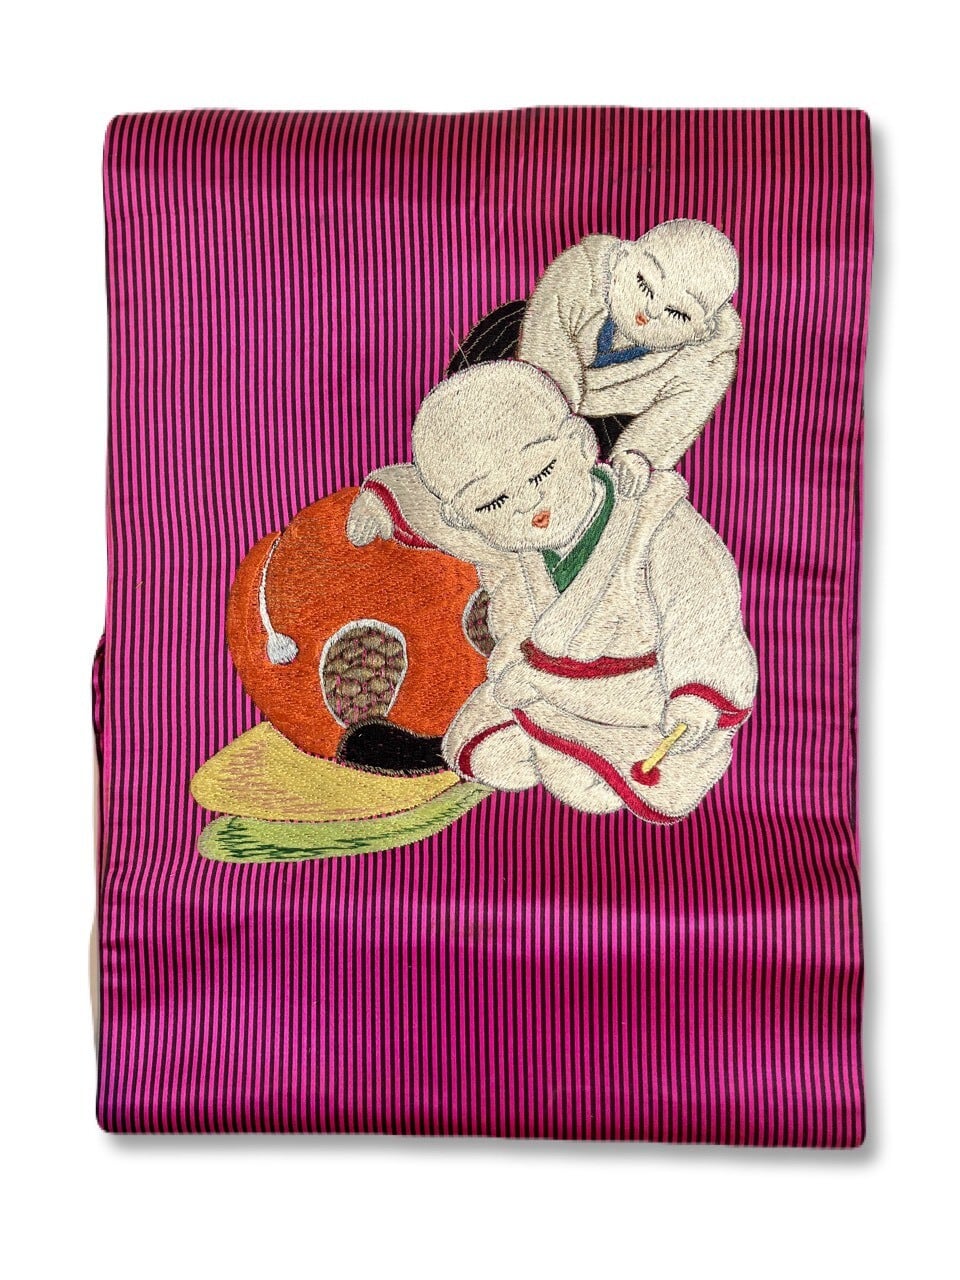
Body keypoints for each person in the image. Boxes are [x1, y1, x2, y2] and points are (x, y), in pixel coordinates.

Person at [347, 361, 756, 822]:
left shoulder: (653, 521)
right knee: (477, 753)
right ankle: (547, 746)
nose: (526, 502)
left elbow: (702, 608)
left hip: (640, 696)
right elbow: (432, 503)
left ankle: (580, 755)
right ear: (465, 515)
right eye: (494, 501)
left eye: (541, 473)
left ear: (580, 445)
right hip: (540, 684)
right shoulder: (509, 540)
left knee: (588, 788)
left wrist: (698, 694)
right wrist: (382, 500)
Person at [517, 219, 742, 496]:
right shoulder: (582, 270)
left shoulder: (708, 362)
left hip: (614, 422)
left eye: (677, 313)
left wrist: (639, 454)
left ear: (701, 331)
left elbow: (674, 418)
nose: (650, 311)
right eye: (643, 285)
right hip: (531, 382)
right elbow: (545, 345)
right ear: (621, 259)